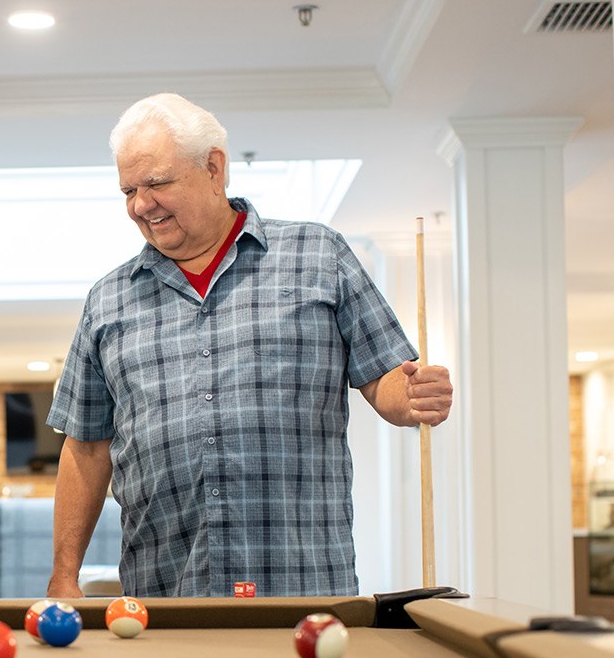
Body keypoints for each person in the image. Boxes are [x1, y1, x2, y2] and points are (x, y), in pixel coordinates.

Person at [46, 94, 453, 601]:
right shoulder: (108, 300)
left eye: (156, 183)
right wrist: (65, 575)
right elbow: (85, 446)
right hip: (166, 598)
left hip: (305, 590)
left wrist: (412, 397)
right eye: (128, 189)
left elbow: (386, 376)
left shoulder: (318, 254)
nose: (140, 205)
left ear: (214, 168)